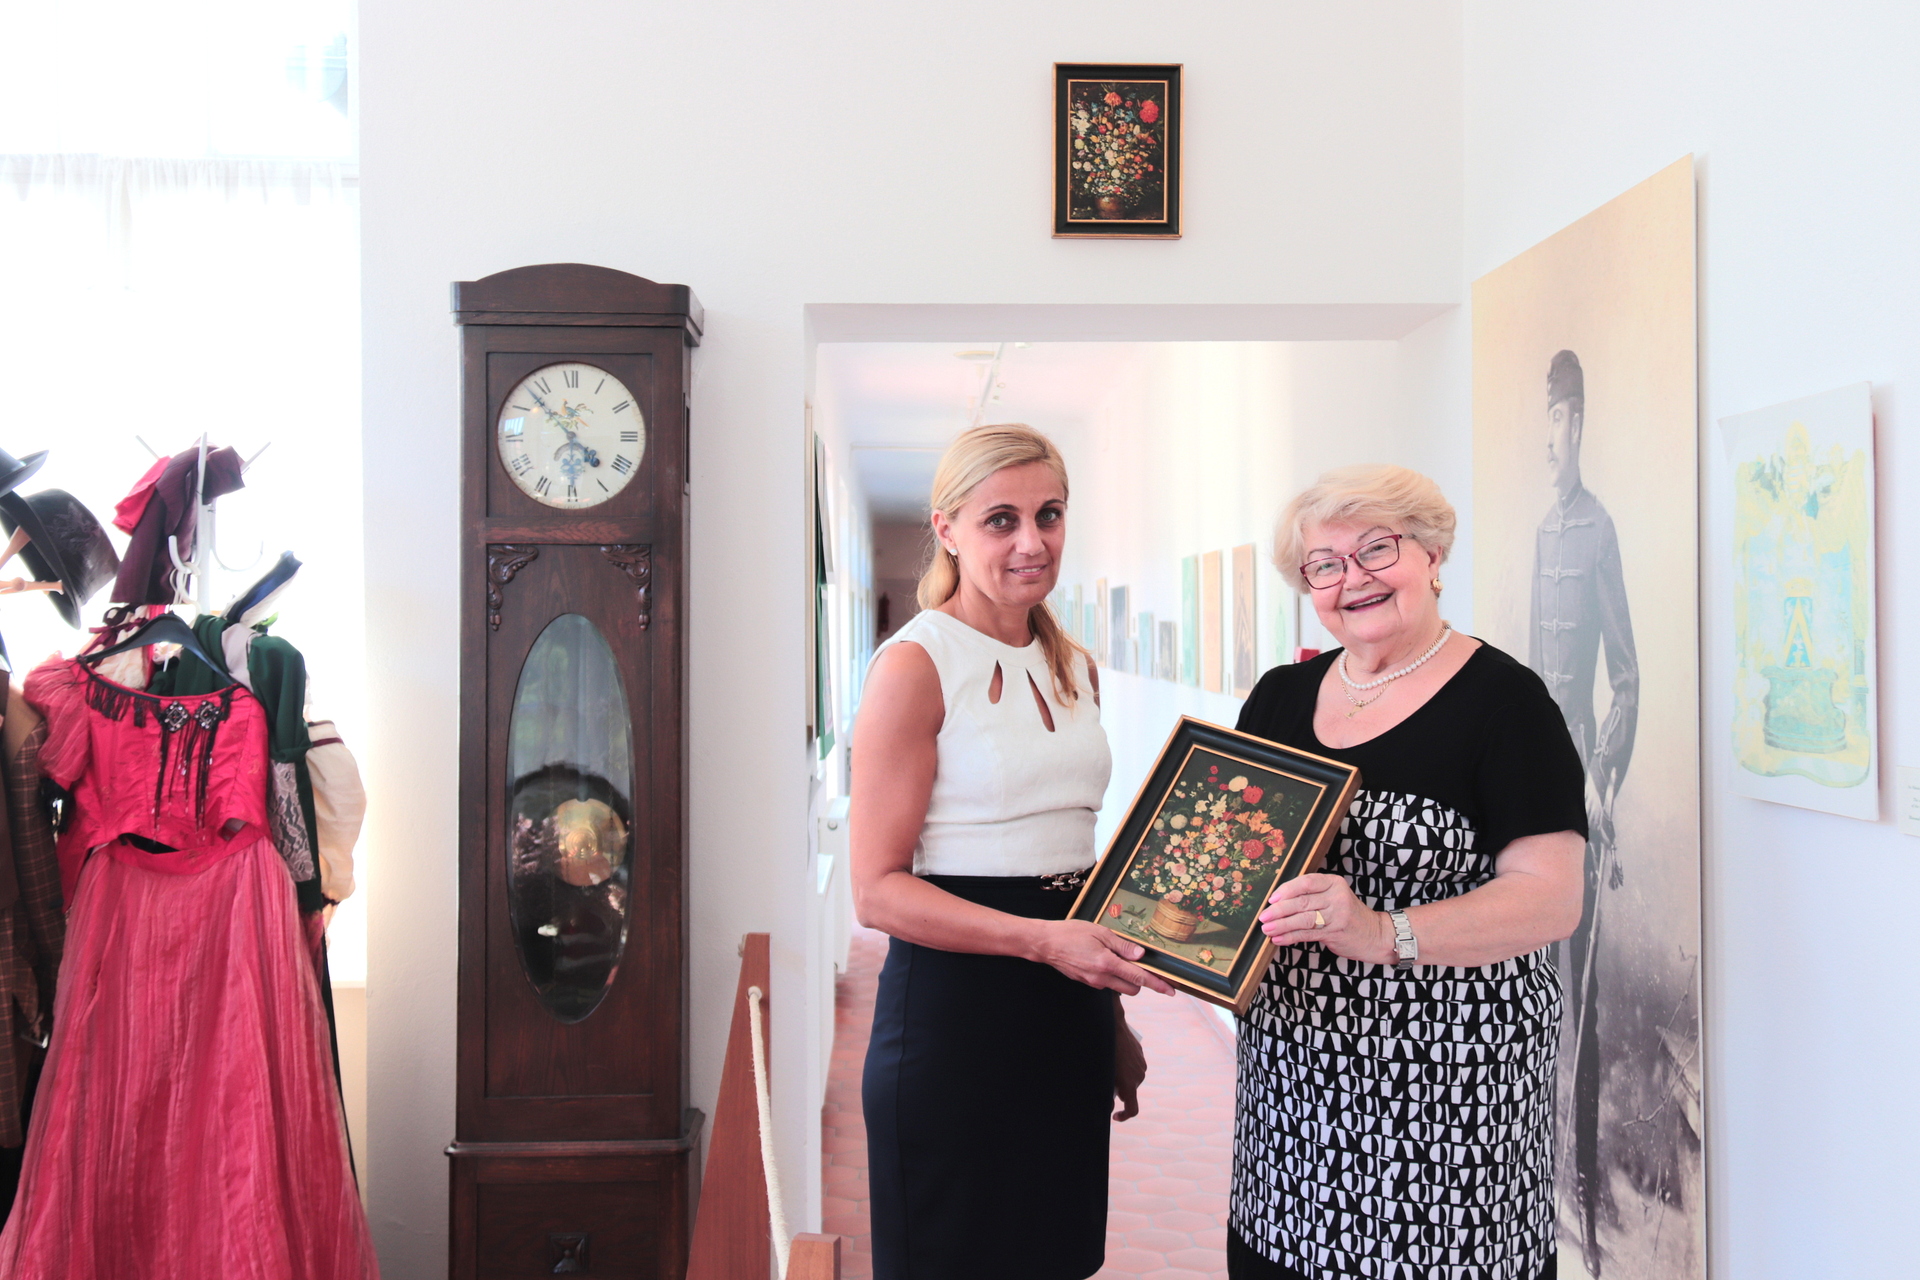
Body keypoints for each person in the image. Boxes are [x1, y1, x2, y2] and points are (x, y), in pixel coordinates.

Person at [1228, 464, 1588, 1280]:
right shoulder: (1279, 698)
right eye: (1325, 564)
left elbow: (1551, 899)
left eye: (1376, 549)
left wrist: (1380, 931)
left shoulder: (1506, 703)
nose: (1352, 578)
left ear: (1431, 555)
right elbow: (1235, 857)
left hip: (1446, 1105)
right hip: (1290, 1094)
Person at [853, 423, 1170, 1280]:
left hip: (1066, 1013)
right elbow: (876, 892)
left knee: (1058, 1258)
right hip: (956, 1021)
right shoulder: (915, 665)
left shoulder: (1077, 669)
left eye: (1049, 515)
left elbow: (1070, 858)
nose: (1032, 542)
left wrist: (1107, 1020)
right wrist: (1042, 943)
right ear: (948, 529)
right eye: (1002, 520)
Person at [1531, 350, 1637, 1275]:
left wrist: (1603, 778)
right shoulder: (1542, 533)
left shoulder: (1599, 531)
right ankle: (1547, 1187)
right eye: (1548, 420)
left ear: (1582, 426)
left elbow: (1626, 680)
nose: (1552, 438)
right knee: (1539, 993)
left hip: (1582, 794)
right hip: (1533, 793)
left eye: (1564, 421)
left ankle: (1589, 1207)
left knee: (1584, 1006)